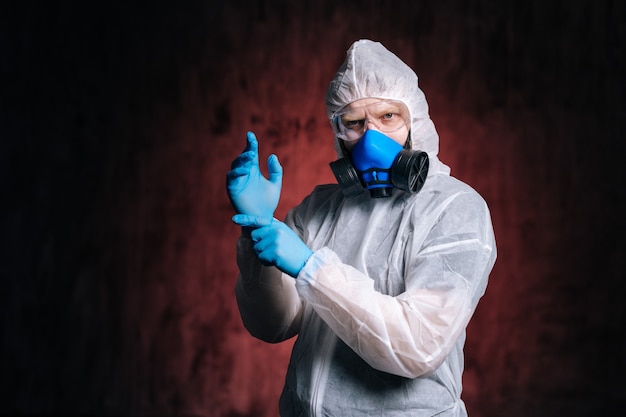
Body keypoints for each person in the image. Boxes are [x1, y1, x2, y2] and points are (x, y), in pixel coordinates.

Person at [226, 39, 497, 417]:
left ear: (414, 120)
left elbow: (419, 345)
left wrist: (311, 268)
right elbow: (274, 325)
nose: (371, 139)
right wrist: (257, 230)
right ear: (338, 133)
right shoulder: (320, 209)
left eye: (388, 117)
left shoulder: (454, 209)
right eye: (354, 123)